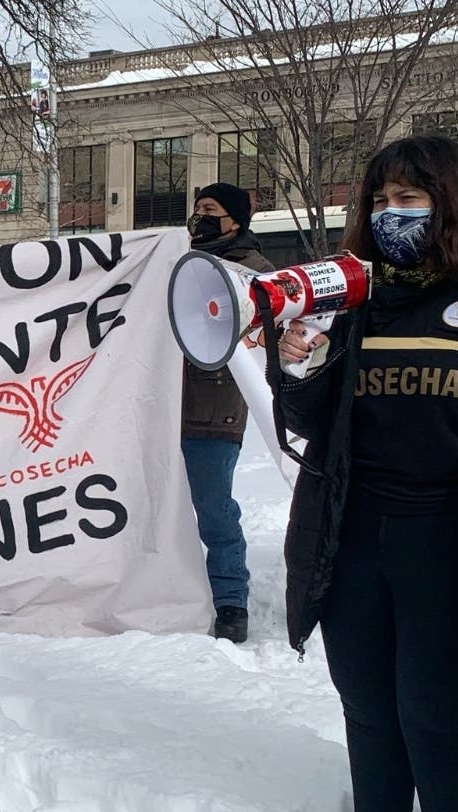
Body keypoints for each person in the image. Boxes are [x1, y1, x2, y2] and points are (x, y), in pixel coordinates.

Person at [278, 134, 458, 812]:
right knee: (366, 698)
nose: (390, 214)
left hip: (446, 538)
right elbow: (313, 420)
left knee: (440, 710)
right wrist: (299, 363)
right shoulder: (353, 300)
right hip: (354, 530)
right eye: (380, 200)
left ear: (452, 201)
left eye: (409, 199)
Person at [182, 183, 274, 643]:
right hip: (165, 410)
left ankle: (230, 601)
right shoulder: (179, 264)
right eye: (198, 209)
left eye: (211, 210)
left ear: (234, 220)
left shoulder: (256, 274)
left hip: (215, 414)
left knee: (214, 511)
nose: (200, 217)